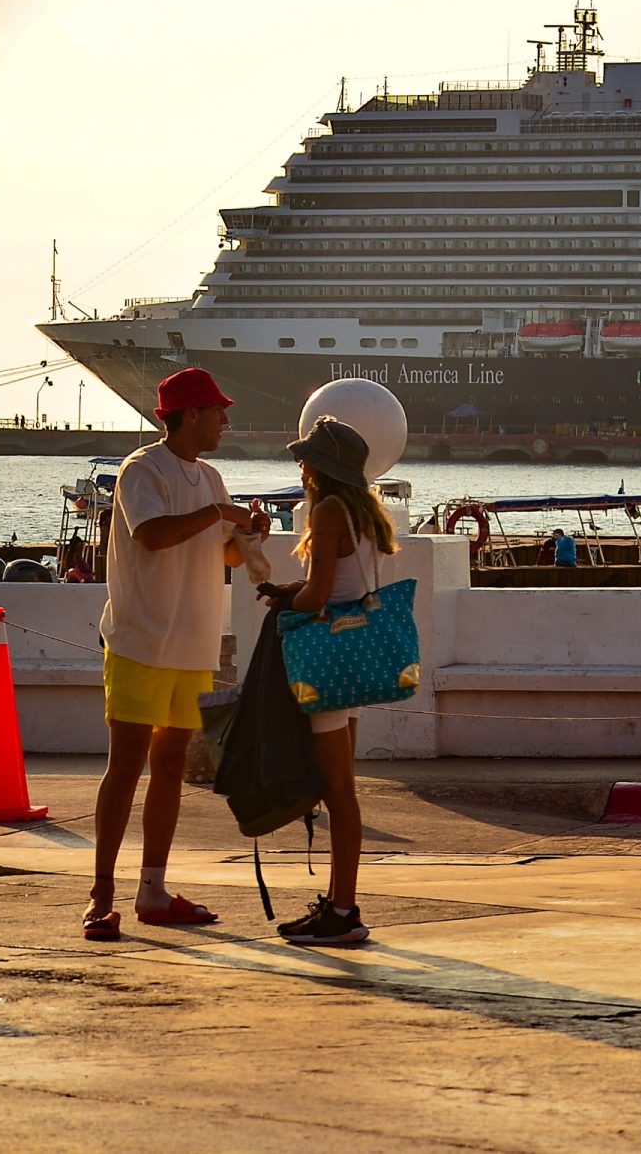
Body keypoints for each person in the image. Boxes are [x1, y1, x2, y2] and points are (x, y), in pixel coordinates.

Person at [83, 368, 267, 942]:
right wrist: (221, 516)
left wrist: (246, 534)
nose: (225, 421)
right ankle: (101, 896)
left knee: (168, 768)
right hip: (141, 639)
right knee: (127, 765)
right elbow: (153, 535)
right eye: (216, 411)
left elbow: (227, 558)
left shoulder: (211, 477)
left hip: (192, 645)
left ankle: (153, 889)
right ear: (189, 415)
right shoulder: (143, 469)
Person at [262, 416, 398, 946]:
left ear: (320, 467)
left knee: (337, 791)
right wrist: (292, 588)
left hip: (328, 663)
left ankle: (343, 911)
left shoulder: (325, 510)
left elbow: (318, 598)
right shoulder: (361, 512)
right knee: (344, 790)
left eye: (306, 458)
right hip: (354, 658)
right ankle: (342, 903)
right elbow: (340, 584)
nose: (300, 465)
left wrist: (285, 600)